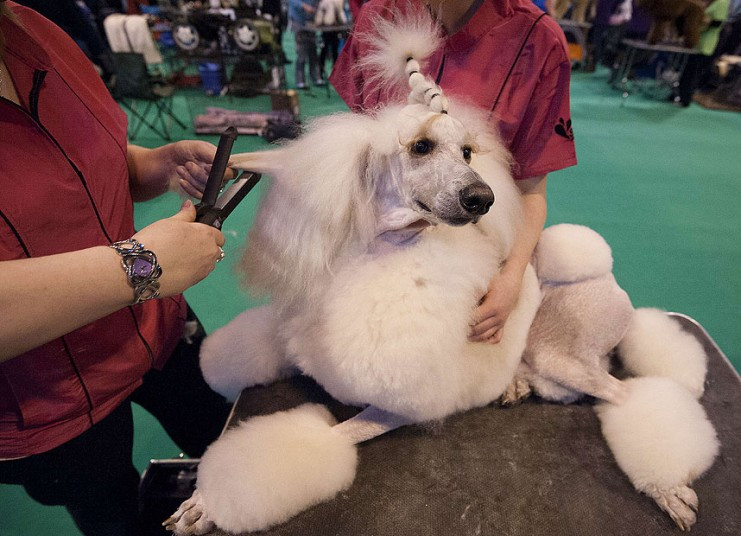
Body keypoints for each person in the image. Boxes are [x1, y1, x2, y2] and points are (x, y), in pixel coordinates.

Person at [0, 2, 233, 534]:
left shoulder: (34, 27)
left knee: (237, 445)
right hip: (47, 396)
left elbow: (88, 154)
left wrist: (156, 164)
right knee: (117, 516)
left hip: (156, 326)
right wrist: (140, 266)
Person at [330, 0, 577, 345]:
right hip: (371, 247)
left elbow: (531, 189)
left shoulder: (540, 42)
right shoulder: (379, 15)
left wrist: (511, 278)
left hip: (472, 253)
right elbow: (356, 154)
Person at [674, 0, 731, 106]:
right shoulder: (710, 2)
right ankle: (678, 95)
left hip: (706, 44)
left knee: (692, 74)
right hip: (696, 42)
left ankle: (684, 99)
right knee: (686, 72)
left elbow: (717, 23)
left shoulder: (722, 2)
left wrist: (701, 20)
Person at [288, 0, 326, 89]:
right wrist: (303, 6)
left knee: (313, 51)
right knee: (301, 53)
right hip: (298, 21)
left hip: (311, 21)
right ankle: (300, 80)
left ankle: (316, 77)